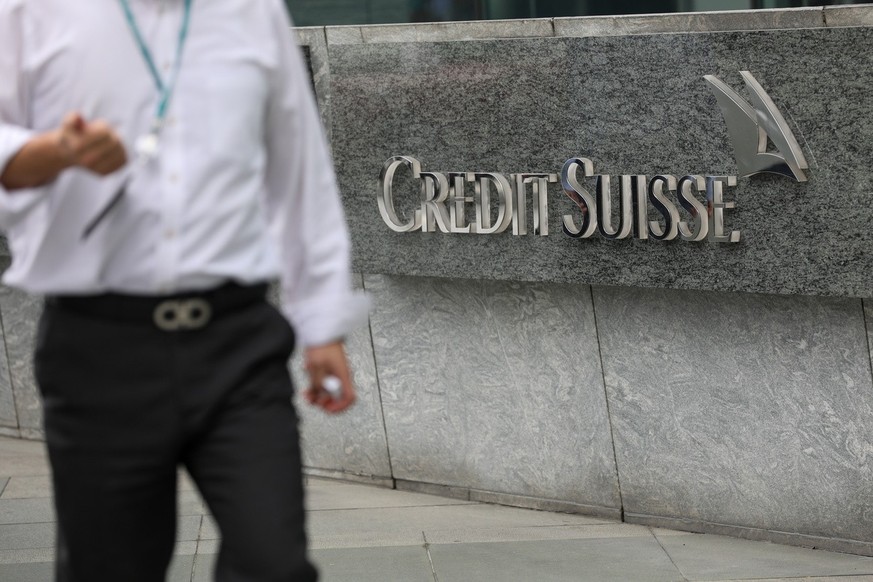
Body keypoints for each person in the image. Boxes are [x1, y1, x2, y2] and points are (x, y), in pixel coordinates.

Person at [0, 0, 369, 580]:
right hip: (100, 350)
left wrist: (321, 324)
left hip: (238, 343)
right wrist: (54, 153)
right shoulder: (30, 12)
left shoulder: (251, 12)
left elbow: (298, 172)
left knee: (275, 564)